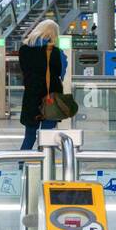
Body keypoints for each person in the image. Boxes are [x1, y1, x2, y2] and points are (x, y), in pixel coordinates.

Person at [17, 18, 68, 151]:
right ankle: (44, 165)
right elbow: (60, 73)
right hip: (50, 98)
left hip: (31, 97)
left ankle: (21, 164)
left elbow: (24, 71)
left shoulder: (24, 50)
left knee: (29, 136)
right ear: (52, 34)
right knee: (46, 136)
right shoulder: (56, 52)